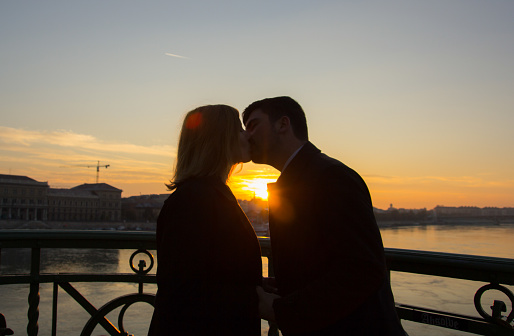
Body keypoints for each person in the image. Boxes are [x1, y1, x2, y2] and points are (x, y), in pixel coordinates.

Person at [243, 97, 406, 335]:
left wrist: (282, 310)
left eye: (253, 125)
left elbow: (362, 269)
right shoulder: (313, 176)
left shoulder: (331, 177)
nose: (248, 136)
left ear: (283, 124)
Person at [148, 105, 263, 336]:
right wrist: (255, 299)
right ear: (221, 139)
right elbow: (185, 290)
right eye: (239, 129)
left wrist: (256, 286)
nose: (247, 134)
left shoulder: (205, 194)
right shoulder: (194, 200)